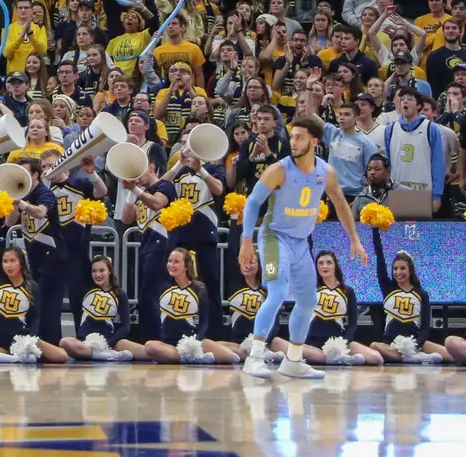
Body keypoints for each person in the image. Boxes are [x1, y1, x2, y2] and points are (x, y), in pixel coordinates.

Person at [237, 111, 368, 379]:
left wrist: (355, 240)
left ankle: (293, 360)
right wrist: (246, 241)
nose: (293, 142)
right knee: (277, 291)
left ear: (314, 141)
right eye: (292, 137)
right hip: (274, 238)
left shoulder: (325, 172)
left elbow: (341, 204)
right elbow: (251, 202)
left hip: (300, 243)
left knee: (309, 300)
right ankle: (255, 357)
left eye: (299, 137)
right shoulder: (279, 169)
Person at [0, 246, 67, 364]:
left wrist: (31, 340)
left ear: (21, 263)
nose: (8, 265)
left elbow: (36, 317)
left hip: (23, 339)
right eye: (5, 261)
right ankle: (17, 359)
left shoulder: (31, 287)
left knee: (62, 356)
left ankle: (25, 354)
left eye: (13, 261)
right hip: (2, 344)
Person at [140, 247, 241, 364]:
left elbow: (204, 321)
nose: (171, 265)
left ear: (186, 266)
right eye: (169, 261)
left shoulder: (199, 288)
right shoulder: (163, 286)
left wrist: (195, 341)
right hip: (169, 344)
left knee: (231, 358)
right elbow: (158, 317)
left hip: (194, 341)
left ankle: (193, 354)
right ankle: (189, 358)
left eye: (176, 262)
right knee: (150, 346)